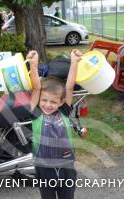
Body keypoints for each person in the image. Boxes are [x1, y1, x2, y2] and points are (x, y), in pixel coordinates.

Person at [28, 49, 83, 199]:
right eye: (44, 100)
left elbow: (69, 87)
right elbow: (36, 88)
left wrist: (74, 62)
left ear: (61, 102)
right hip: (44, 169)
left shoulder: (64, 111)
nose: (48, 105)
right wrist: (33, 65)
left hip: (66, 167)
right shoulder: (36, 113)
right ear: (39, 100)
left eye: (53, 101)